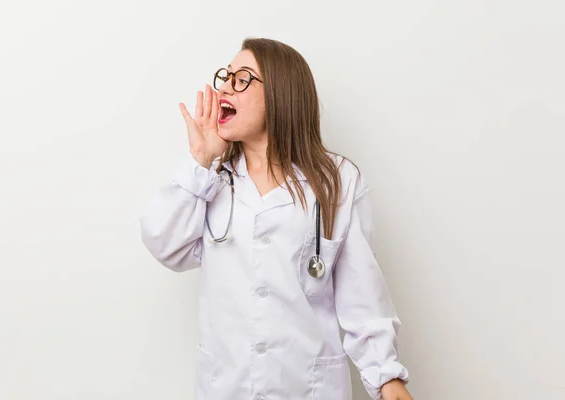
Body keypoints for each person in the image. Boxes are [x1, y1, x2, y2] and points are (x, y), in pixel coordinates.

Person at [139, 38, 412, 400]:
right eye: (225, 76)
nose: (225, 87)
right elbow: (163, 243)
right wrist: (200, 161)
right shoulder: (212, 180)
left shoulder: (338, 181)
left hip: (309, 389)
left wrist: (387, 378)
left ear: (281, 94)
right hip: (227, 387)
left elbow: (362, 298)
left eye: (241, 79)